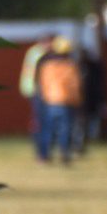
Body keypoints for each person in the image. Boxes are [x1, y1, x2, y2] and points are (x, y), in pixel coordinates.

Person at [32, 33, 83, 164]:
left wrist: (43, 98)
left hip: (49, 101)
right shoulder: (71, 66)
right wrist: (78, 101)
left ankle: (44, 155)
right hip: (66, 102)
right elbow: (75, 85)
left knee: (47, 129)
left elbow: (41, 83)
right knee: (65, 129)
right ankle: (64, 154)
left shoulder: (46, 65)